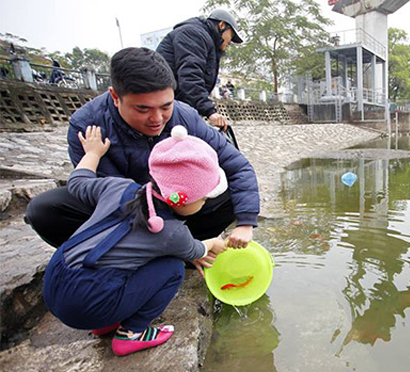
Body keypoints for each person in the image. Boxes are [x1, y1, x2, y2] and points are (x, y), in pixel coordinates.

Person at [25, 47, 259, 249]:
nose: (157, 119)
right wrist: (170, 236)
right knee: (44, 210)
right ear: (115, 97)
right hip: (126, 213)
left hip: (179, 206)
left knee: (229, 190)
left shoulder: (184, 116)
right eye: (143, 109)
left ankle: (187, 249)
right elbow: (106, 197)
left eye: (166, 106)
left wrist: (246, 223)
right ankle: (139, 253)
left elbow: (238, 166)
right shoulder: (88, 126)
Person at [43, 124, 231, 356]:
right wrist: (213, 243)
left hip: (54, 282)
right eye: (203, 198)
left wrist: (92, 154)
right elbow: (195, 251)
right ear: (182, 199)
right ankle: (131, 334)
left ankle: (105, 320)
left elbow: (77, 183)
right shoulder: (171, 231)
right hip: (86, 303)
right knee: (172, 268)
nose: (204, 203)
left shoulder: (119, 187)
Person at [156, 9, 243, 130]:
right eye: (231, 35)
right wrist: (209, 111)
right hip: (166, 105)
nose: (230, 42)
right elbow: (190, 76)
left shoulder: (206, 40)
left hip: (178, 104)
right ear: (221, 25)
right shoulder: (194, 34)